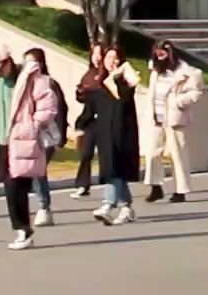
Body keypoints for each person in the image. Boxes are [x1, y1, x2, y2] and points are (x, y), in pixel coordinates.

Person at [0, 45, 62, 249]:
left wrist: (35, 123)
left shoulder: (31, 78)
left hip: (23, 139)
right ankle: (23, 229)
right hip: (1, 141)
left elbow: (47, 104)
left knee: (15, 187)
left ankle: (23, 230)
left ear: (8, 62)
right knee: (11, 187)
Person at [79, 45, 139, 226]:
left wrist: (118, 74)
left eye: (116, 58)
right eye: (109, 58)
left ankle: (107, 205)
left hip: (123, 132)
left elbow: (125, 93)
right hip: (105, 132)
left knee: (115, 168)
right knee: (113, 169)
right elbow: (90, 107)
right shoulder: (99, 83)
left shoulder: (124, 83)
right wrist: (81, 125)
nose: (112, 62)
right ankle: (127, 207)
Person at [143, 41, 198, 204]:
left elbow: (195, 91)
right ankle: (156, 187)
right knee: (152, 152)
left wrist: (180, 102)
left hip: (174, 117)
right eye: (157, 54)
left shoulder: (184, 71)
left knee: (177, 155)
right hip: (156, 117)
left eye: (163, 53)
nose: (159, 57)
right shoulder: (155, 70)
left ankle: (180, 190)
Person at [20, 48, 68, 225]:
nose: (29, 67)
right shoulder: (22, 85)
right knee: (31, 172)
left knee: (37, 170)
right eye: (26, 62)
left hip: (47, 134)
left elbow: (61, 109)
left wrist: (61, 135)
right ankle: (40, 205)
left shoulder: (50, 84)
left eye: (33, 62)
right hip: (27, 135)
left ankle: (43, 208)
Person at [70, 45, 102, 198]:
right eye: (94, 54)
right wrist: (81, 93)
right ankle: (82, 184)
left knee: (108, 154)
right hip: (90, 121)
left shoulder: (107, 74)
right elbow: (82, 98)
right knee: (86, 153)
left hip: (105, 119)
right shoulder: (88, 74)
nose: (97, 57)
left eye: (100, 54)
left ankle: (113, 183)